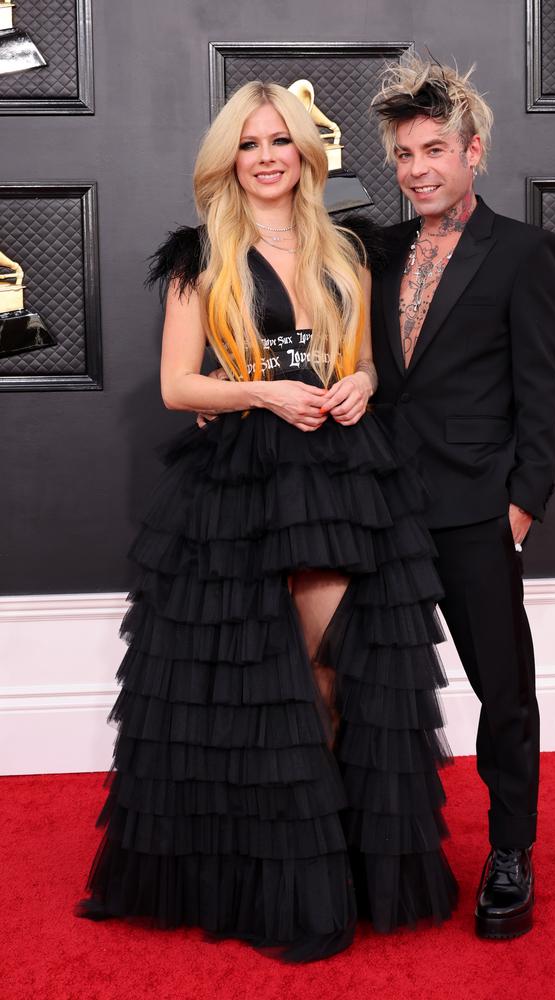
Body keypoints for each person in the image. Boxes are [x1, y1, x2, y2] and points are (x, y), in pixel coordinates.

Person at [76, 80, 458, 961]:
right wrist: (260, 392)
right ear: (228, 159)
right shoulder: (199, 254)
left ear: (305, 152)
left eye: (279, 139)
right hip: (240, 482)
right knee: (257, 689)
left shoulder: (347, 249)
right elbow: (179, 385)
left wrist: (358, 383)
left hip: (337, 477)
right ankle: (268, 883)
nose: (267, 156)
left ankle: (330, 870)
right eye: (248, 143)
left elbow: (357, 359)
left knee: (333, 677)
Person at [369, 56, 555, 939]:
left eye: (434, 149)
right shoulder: (374, 247)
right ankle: (382, 846)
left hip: (476, 509)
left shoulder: (523, 251)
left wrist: (522, 501)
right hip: (380, 504)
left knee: (504, 691)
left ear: (472, 151)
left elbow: (540, 388)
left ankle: (511, 851)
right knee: (376, 686)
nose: (417, 169)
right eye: (405, 153)